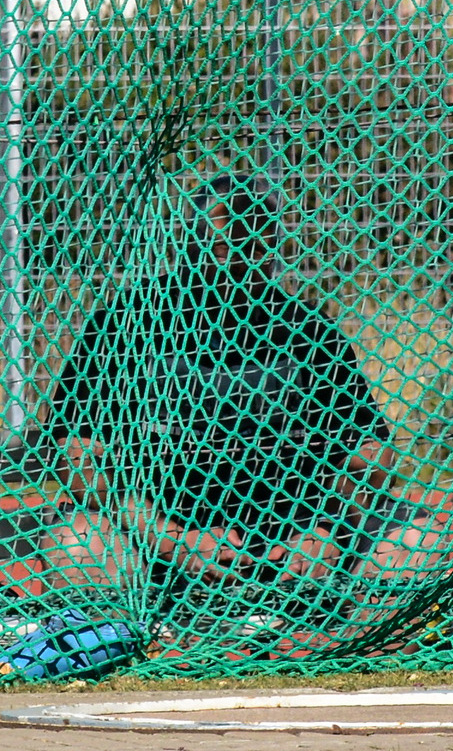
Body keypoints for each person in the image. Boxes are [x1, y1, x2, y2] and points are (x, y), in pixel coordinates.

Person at [41, 176, 423, 599]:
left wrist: (329, 528)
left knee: (415, 540)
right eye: (225, 246)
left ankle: (319, 634)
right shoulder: (126, 326)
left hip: (295, 538)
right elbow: (77, 459)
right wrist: (170, 539)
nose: (241, 261)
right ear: (190, 245)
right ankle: (148, 635)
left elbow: (370, 451)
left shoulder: (307, 330)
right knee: (78, 545)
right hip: (156, 540)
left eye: (257, 246)